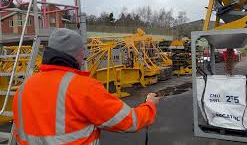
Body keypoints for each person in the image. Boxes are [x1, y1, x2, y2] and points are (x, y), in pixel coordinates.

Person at [12, 28, 160, 144]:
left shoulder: (23, 88)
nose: (84, 60)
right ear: (73, 54)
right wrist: (149, 105)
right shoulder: (83, 88)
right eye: (82, 52)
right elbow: (129, 121)